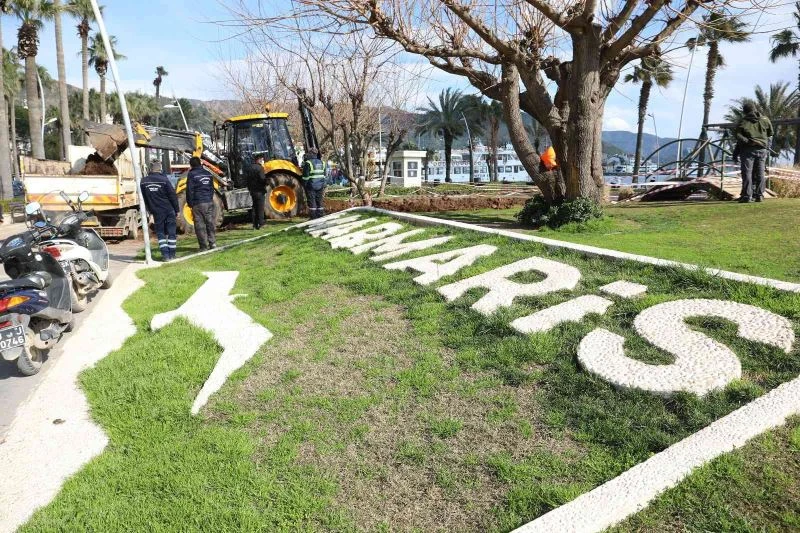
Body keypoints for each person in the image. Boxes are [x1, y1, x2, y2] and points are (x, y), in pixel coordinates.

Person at [734, 101, 773, 203]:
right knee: (760, 173)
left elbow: (738, 137)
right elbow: (770, 135)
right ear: (755, 109)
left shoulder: (743, 122)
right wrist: (767, 147)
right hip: (762, 150)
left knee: (747, 173)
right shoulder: (765, 120)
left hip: (748, 150)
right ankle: (759, 195)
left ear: (744, 111)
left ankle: (747, 196)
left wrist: (746, 143)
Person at [141, 160, 179, 261]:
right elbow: (172, 196)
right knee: (171, 232)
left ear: (150, 169)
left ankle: (165, 256)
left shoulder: (143, 181)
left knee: (160, 233)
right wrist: (177, 210)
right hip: (168, 209)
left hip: (156, 211)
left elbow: (144, 199)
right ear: (160, 169)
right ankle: (172, 254)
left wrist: (150, 211)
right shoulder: (164, 180)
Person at [186, 156, 217, 251]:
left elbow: (189, 190)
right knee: (210, 223)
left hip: (198, 203)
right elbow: (212, 188)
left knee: (200, 225)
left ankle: (203, 246)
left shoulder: (191, 175)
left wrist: (190, 203)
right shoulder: (208, 174)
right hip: (209, 202)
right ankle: (212, 243)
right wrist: (209, 198)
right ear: (200, 163)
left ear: (191, 165)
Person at [302, 149, 326, 219]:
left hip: (311, 186)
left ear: (311, 154)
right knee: (319, 200)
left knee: (312, 201)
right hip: (320, 185)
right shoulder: (322, 163)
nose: (308, 154)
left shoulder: (308, 163)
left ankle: (313, 217)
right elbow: (324, 175)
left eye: (309, 153)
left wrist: (304, 185)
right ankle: (320, 215)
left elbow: (305, 177)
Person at [246, 154, 267, 229]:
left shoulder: (249, 168)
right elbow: (262, 179)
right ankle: (261, 223)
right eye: (262, 159)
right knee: (260, 207)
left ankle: (254, 224)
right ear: (259, 160)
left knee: (254, 207)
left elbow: (247, 180)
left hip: (253, 191)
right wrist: (266, 182)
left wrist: (250, 188)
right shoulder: (260, 168)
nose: (263, 161)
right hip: (260, 190)